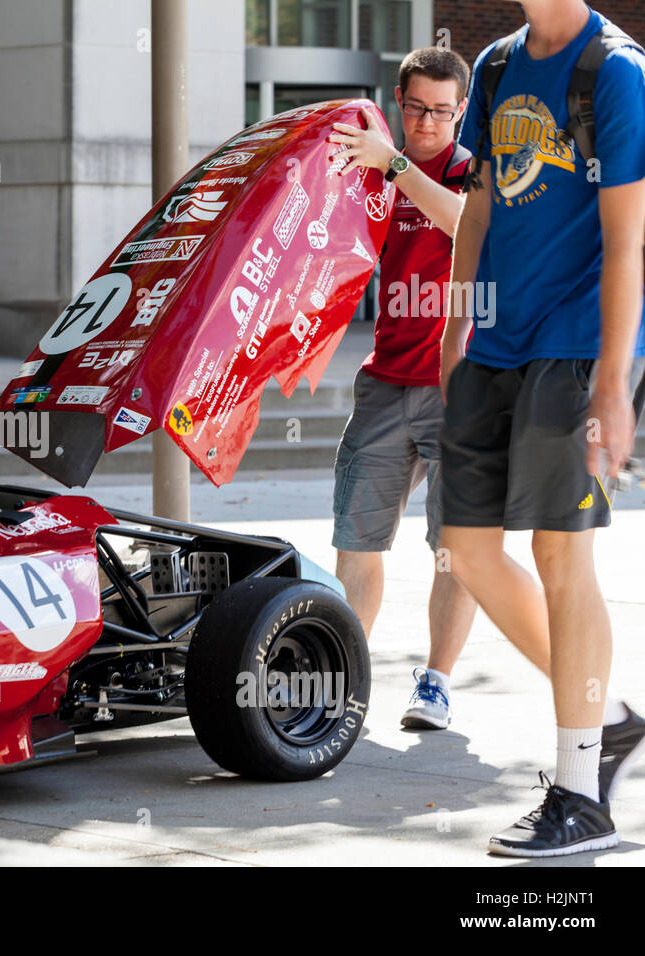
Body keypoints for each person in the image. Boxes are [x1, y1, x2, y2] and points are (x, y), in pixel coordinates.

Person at [442, 0, 645, 856]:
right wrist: (457, 324)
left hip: (572, 341)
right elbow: (481, 209)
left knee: (563, 553)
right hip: (495, 340)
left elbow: (628, 238)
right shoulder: (492, 68)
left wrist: (612, 383)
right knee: (468, 546)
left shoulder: (618, 72)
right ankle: (609, 716)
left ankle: (580, 792)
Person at [325, 48, 479, 730]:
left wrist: (392, 162)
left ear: (461, 110)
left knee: (456, 548)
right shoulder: (375, 176)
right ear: (398, 100)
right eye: (415, 108)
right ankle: (344, 682)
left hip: (462, 388)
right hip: (385, 384)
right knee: (356, 544)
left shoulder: (476, 170)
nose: (426, 122)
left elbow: (459, 223)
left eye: (441, 111)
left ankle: (436, 683)